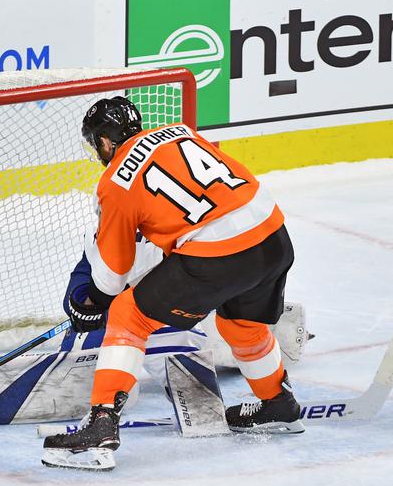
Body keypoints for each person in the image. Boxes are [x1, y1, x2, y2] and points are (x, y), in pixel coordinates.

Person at [42, 96, 303, 470]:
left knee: (128, 314)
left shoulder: (115, 180)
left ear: (103, 141)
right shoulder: (179, 133)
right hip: (273, 234)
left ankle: (100, 427)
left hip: (220, 253)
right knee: (239, 322)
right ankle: (279, 404)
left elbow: (115, 272)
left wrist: (93, 303)